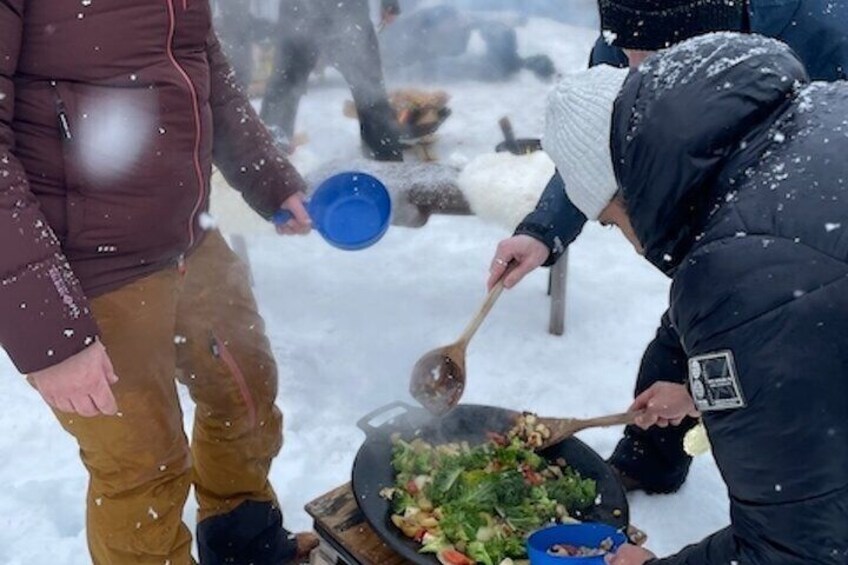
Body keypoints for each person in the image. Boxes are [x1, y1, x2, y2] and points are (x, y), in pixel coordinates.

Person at [488, 0, 848, 495]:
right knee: (687, 331)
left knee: (772, 366)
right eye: (625, 59)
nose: (634, 75)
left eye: (650, 61)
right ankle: (646, 464)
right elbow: (596, 144)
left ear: (708, 38)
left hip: (812, 219)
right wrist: (543, 228)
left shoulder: (823, 29)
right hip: (723, 213)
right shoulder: (627, 33)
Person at [0, 2, 317, 563]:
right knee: (142, 465)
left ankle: (244, 544)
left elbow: (204, 65)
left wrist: (268, 175)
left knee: (245, 394)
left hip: (188, 237)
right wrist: (51, 334)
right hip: (88, 267)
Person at [260, 0, 405, 161]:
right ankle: (266, 159)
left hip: (323, 15)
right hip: (330, 14)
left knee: (370, 93)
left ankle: (265, 159)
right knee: (370, 93)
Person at [379, 5, 556, 82]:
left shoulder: (458, 21)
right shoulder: (410, 36)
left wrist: (506, 24)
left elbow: (484, 20)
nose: (462, 24)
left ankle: (517, 63)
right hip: (390, 60)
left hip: (433, 57)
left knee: (497, 65)